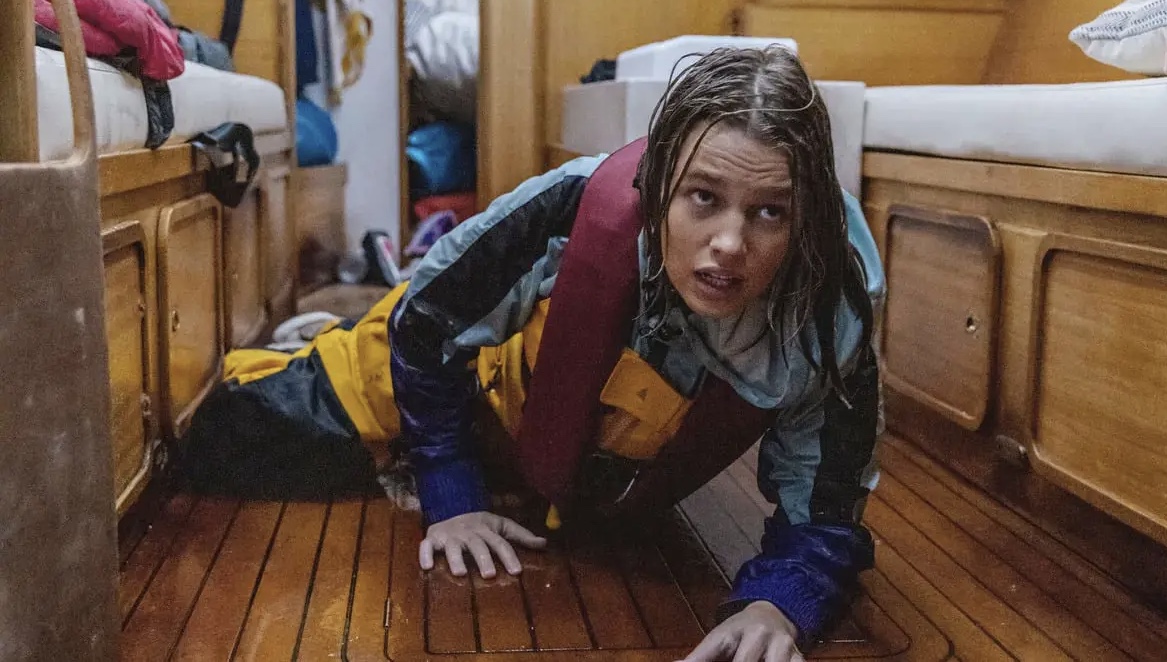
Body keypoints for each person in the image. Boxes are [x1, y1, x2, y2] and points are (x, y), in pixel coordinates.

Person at [180, 45, 883, 662]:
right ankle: (317, 345)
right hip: (450, 386)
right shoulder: (576, 208)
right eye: (703, 198)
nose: (729, 244)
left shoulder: (829, 316)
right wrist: (449, 489)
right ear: (661, 185)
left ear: (806, 217)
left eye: (769, 212)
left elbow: (826, 506)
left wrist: (780, 603)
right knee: (218, 437)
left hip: (579, 474)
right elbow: (427, 323)